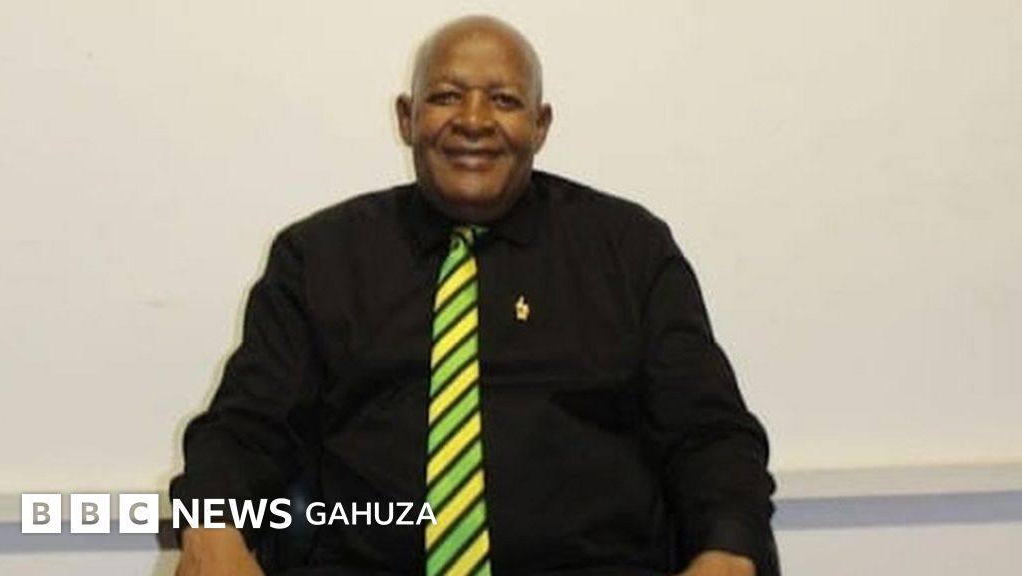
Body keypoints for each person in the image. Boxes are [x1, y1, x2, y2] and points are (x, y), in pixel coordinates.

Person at [172, 15, 779, 576]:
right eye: (445, 96)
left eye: (505, 100)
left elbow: (711, 433)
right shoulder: (319, 258)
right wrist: (212, 525)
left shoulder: (629, 250)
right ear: (406, 117)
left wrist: (728, 551)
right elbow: (246, 429)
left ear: (540, 125)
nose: (473, 120)